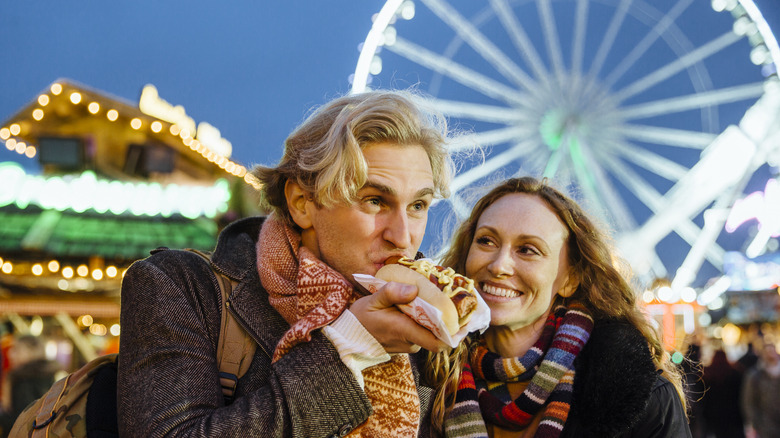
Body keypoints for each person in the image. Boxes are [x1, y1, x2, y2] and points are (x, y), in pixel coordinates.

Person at [117, 90, 457, 437]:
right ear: (301, 203)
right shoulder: (180, 288)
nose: (402, 237)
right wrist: (349, 347)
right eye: (374, 201)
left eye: (418, 206)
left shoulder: (430, 310)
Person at [427, 176, 691, 437]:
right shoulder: (427, 374)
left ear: (570, 279)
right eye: (486, 241)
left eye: (528, 249)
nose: (498, 265)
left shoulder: (643, 401)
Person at [1, 335, 62, 426]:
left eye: (16, 350)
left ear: (32, 352)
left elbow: (21, 421)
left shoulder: (22, 380)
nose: (10, 354)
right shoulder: (49, 376)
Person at [702, 349, 745, 438]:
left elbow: (705, 399)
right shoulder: (735, 374)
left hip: (714, 416)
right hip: (733, 416)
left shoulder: (708, 376)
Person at [741, 341, 780, 438]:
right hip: (764, 425)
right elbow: (748, 400)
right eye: (767, 352)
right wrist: (753, 423)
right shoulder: (755, 375)